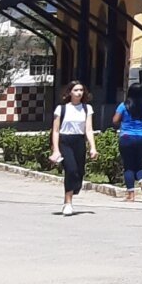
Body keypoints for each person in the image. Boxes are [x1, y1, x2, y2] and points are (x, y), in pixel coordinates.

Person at [47, 81, 93, 216]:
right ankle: (68, 203)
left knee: (79, 172)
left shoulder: (87, 108)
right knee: (71, 170)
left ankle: (74, 188)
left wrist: (92, 147)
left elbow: (89, 129)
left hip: (79, 141)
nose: (79, 93)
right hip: (65, 141)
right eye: (76, 90)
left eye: (81, 90)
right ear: (69, 92)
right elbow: (55, 131)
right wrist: (56, 149)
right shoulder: (61, 109)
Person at [114, 83, 142, 202]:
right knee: (139, 164)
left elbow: (115, 120)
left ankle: (130, 195)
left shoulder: (123, 106)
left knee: (128, 167)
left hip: (127, 137)